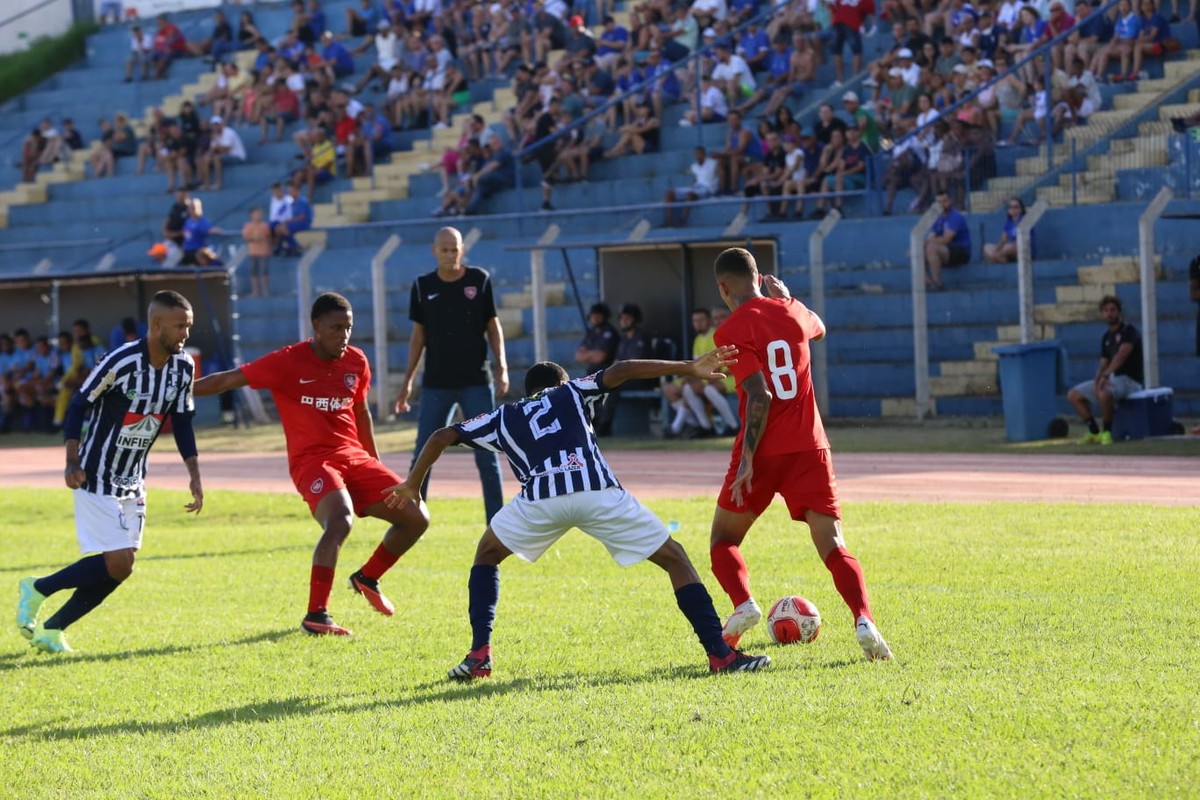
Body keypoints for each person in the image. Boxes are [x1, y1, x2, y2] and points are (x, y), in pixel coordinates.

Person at [384, 356, 772, 680]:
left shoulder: (506, 415)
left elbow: (439, 436)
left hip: (540, 499)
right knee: (675, 559)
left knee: (486, 555)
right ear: (563, 382)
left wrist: (414, 485)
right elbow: (621, 369)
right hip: (595, 492)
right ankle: (721, 655)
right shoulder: (574, 390)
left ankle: (479, 654)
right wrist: (688, 367)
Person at [193, 293, 430, 635]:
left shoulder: (356, 362)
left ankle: (368, 577)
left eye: (348, 328)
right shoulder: (287, 362)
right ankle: (316, 615)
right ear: (316, 327)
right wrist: (178, 390)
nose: (343, 335)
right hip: (312, 462)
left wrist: (374, 464)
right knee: (340, 520)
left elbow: (361, 413)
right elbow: (228, 379)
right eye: (336, 328)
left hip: (354, 458)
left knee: (416, 516)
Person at [707, 248, 893, 661]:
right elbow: (820, 328)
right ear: (759, 278)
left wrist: (750, 459)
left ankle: (743, 602)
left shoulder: (730, 330)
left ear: (724, 288)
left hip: (764, 448)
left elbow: (760, 395)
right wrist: (789, 297)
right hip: (810, 446)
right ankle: (864, 620)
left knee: (723, 540)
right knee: (833, 543)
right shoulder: (792, 310)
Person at [16, 291, 203, 654]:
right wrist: (71, 459)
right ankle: (39, 588)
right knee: (119, 559)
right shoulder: (120, 360)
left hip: (134, 477)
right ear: (156, 324)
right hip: (95, 472)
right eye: (180, 325)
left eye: (189, 326)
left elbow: (182, 421)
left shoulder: (184, 367)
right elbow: (77, 404)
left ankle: (53, 629)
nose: (185, 334)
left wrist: (193, 473)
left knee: (122, 568)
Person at [395, 227, 508, 523]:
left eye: (454, 249)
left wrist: (502, 367)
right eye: (444, 249)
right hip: (436, 384)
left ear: (462, 250)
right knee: (423, 453)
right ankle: (412, 519)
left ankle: (496, 524)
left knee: (487, 454)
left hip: (476, 382)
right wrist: (408, 381)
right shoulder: (422, 286)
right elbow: (417, 338)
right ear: (434, 250)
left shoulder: (478, 280)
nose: (449, 254)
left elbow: (493, 327)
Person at [1067, 295, 1144, 445]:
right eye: (1106, 310)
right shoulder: (1106, 337)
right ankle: (1094, 431)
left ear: (1119, 312)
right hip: (1115, 379)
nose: (1109, 313)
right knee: (1073, 395)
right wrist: (1098, 379)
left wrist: (1106, 376)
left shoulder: (1129, 331)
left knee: (1104, 392)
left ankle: (1107, 432)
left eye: (1112, 310)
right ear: (1102, 314)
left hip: (1130, 380)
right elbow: (1103, 362)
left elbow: (1122, 355)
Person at [924, 190, 971, 289]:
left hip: (960, 251)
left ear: (950, 201)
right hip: (945, 251)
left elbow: (946, 239)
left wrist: (928, 242)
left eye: (944, 201)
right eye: (939, 202)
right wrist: (923, 244)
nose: (942, 204)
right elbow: (931, 236)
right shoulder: (937, 219)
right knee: (916, 249)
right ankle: (926, 282)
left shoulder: (956, 216)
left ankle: (938, 283)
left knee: (931, 248)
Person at [663, 146, 719, 227]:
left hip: (707, 189)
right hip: (696, 187)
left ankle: (682, 220)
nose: (698, 156)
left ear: (704, 154)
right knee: (669, 193)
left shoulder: (713, 163)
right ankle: (668, 222)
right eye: (696, 155)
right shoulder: (694, 166)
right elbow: (696, 178)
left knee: (689, 195)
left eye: (699, 154)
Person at [984, 197, 1033, 264]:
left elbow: (1018, 242)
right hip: (1010, 251)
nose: (1013, 209)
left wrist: (997, 250)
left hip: (1024, 251)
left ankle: (996, 258)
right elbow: (1003, 239)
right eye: (1010, 207)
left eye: (1016, 207)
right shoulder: (1009, 222)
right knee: (987, 247)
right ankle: (999, 258)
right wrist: (997, 249)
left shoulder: (1024, 220)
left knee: (1010, 247)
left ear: (1021, 209)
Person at [575, 302, 619, 371]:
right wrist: (593, 353)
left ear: (604, 316)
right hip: (591, 374)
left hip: (606, 374)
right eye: (593, 316)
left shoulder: (610, 333)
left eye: (598, 316)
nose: (595, 318)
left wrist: (587, 354)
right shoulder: (591, 333)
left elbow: (600, 358)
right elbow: (578, 356)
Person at [242, 207, 272, 297]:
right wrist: (254, 238)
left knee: (264, 271)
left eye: (259, 214)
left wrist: (261, 237)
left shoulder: (265, 226)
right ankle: (255, 291)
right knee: (253, 272)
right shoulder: (248, 226)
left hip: (264, 252)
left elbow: (268, 236)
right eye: (256, 214)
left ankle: (265, 291)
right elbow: (246, 237)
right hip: (253, 252)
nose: (258, 216)